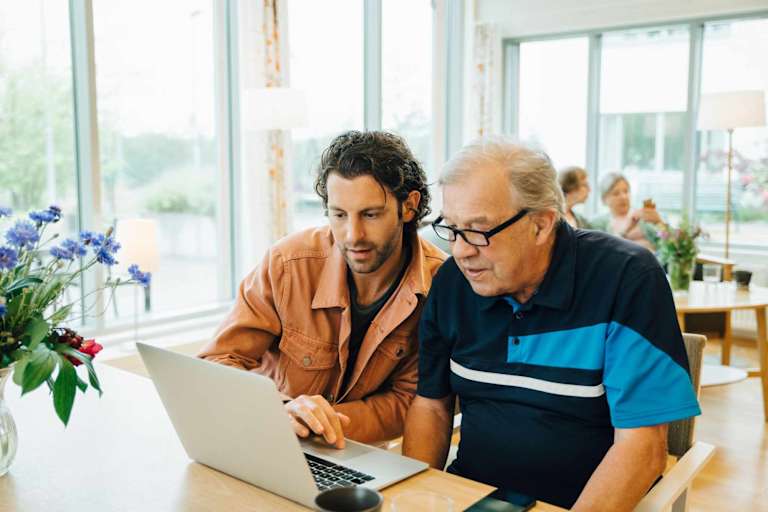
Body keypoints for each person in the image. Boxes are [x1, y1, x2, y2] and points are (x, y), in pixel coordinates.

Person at [402, 137, 701, 511]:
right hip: (475, 500)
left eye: (479, 230)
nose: (461, 250)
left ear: (541, 225)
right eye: (453, 229)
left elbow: (642, 447)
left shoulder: (626, 279)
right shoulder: (453, 283)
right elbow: (431, 406)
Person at [199, 131, 446, 447]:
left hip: (357, 451)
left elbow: (411, 402)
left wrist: (322, 421)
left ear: (408, 206)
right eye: (339, 215)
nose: (353, 235)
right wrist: (284, 411)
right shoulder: (287, 263)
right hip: (270, 438)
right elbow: (217, 363)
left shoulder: (439, 285)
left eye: (370, 214)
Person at [591, 172, 664, 251]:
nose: (623, 197)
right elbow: (605, 251)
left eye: (626, 191)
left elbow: (670, 244)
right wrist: (627, 230)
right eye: (616, 193)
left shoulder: (643, 216)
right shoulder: (597, 223)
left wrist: (659, 222)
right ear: (604, 199)